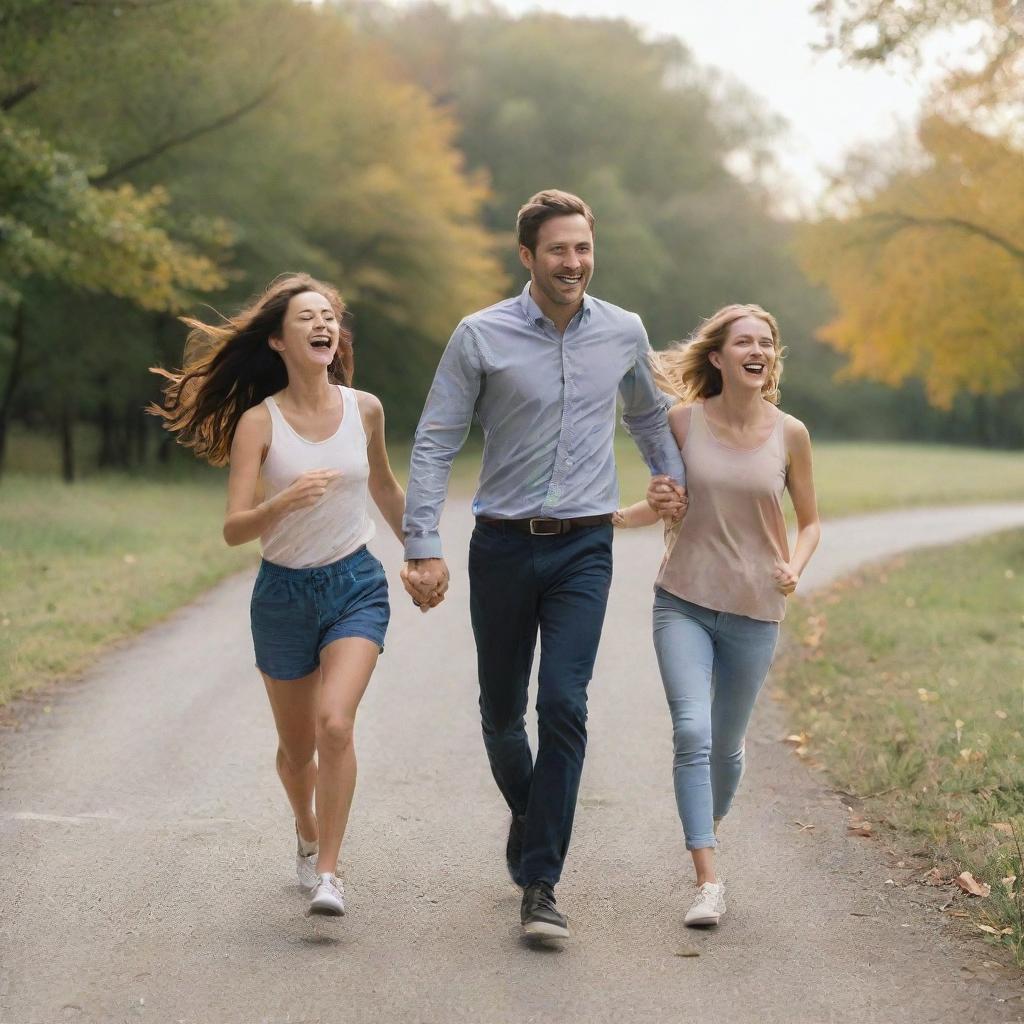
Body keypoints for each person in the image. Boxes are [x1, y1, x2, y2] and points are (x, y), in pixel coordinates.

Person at [401, 189, 685, 940]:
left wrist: (670, 477)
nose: (573, 262)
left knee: (563, 702)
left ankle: (541, 881)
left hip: (584, 544)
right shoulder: (479, 335)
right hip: (499, 543)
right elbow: (434, 440)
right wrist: (421, 541)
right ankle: (531, 814)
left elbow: (649, 414)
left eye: (583, 248)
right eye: (558, 249)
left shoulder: (623, 331)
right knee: (501, 714)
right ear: (527, 255)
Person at [149, 273, 405, 918]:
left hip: (354, 583)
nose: (323, 324)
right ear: (278, 340)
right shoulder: (258, 424)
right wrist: (282, 501)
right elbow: (235, 528)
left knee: (335, 725)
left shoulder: (364, 409)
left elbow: (384, 488)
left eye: (329, 317)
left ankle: (329, 873)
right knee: (297, 755)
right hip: (283, 594)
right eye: (306, 318)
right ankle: (306, 828)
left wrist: (424, 553)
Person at [613, 303, 820, 928]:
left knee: (726, 747)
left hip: (756, 609)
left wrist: (796, 567)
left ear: (771, 358)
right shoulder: (681, 423)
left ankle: (706, 819)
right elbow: (665, 503)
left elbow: (809, 524)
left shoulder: (791, 434)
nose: (757, 350)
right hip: (683, 600)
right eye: (744, 342)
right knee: (692, 731)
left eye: (766, 342)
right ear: (718, 356)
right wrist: (623, 515)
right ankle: (707, 878)